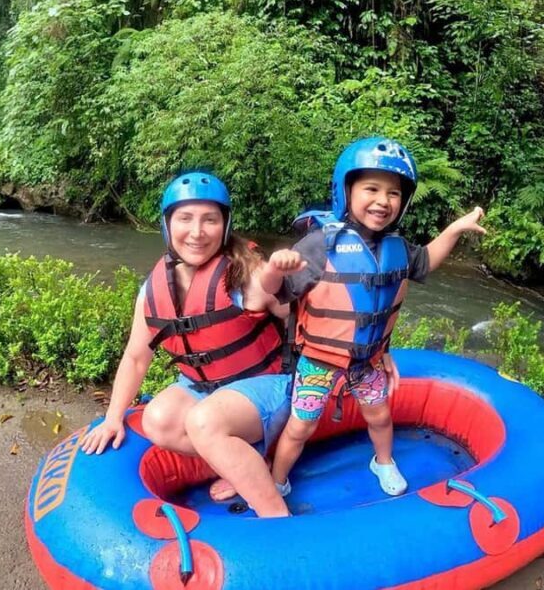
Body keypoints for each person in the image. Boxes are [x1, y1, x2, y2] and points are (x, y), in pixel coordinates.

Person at [260, 137, 486, 499]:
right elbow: (276, 292)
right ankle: (276, 480)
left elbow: (426, 261)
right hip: (319, 361)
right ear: (345, 190)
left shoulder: (397, 247)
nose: (383, 201)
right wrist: (274, 268)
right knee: (300, 426)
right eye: (371, 189)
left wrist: (455, 229)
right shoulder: (320, 245)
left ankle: (382, 461)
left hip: (367, 362)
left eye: (394, 193)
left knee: (379, 417)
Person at [80, 172, 291, 518]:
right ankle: (246, 465)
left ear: (224, 225)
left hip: (269, 385)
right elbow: (136, 357)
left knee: (204, 421)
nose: (197, 232)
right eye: (185, 219)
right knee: (158, 420)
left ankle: (277, 517)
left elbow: (305, 320)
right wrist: (113, 418)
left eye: (210, 219)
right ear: (167, 225)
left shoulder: (250, 273)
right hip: (206, 387)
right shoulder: (153, 290)